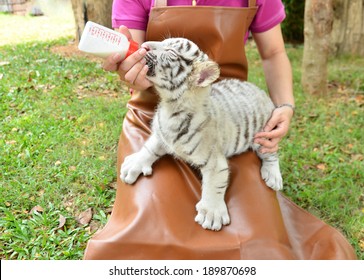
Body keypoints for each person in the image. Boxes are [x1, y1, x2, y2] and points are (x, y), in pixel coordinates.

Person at [84, 0, 357, 259]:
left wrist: (284, 106)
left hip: (227, 117)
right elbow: (139, 56)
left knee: (258, 245)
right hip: (153, 114)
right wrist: (130, 70)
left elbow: (274, 52)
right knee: (144, 240)